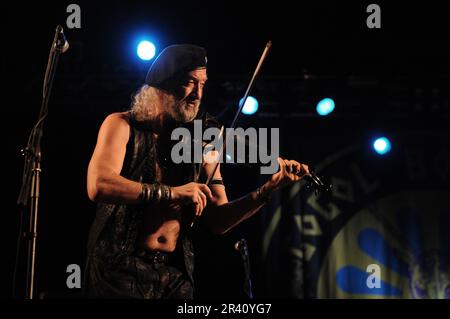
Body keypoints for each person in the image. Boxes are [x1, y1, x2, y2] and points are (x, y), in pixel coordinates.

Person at [84, 44, 310, 299]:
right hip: (118, 271)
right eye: (190, 82)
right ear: (163, 85)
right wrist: (173, 193)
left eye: (202, 84)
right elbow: (99, 184)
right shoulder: (122, 124)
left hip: (175, 276)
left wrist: (266, 191)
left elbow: (219, 220)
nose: (198, 94)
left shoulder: (200, 142)